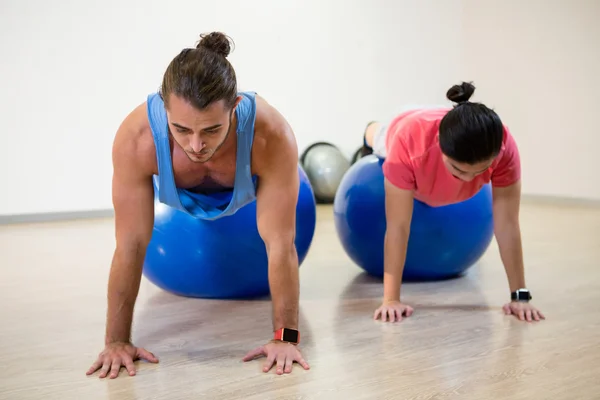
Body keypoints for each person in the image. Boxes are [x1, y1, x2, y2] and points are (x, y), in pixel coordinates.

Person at [86, 32, 309, 379]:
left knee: (279, 237)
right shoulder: (136, 139)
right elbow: (130, 243)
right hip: (179, 201)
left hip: (249, 194)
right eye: (181, 129)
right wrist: (116, 341)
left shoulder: (272, 135)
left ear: (235, 107)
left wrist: (287, 339)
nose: (196, 144)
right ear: (163, 107)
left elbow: (281, 244)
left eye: (211, 130)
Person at [358, 82, 545, 324]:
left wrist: (520, 296)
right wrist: (391, 299)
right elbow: (398, 226)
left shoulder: (505, 147)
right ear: (440, 148)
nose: (468, 179)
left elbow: (507, 224)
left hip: (449, 123)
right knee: (378, 136)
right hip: (405, 125)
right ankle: (368, 131)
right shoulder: (408, 143)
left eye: (480, 172)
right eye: (457, 170)